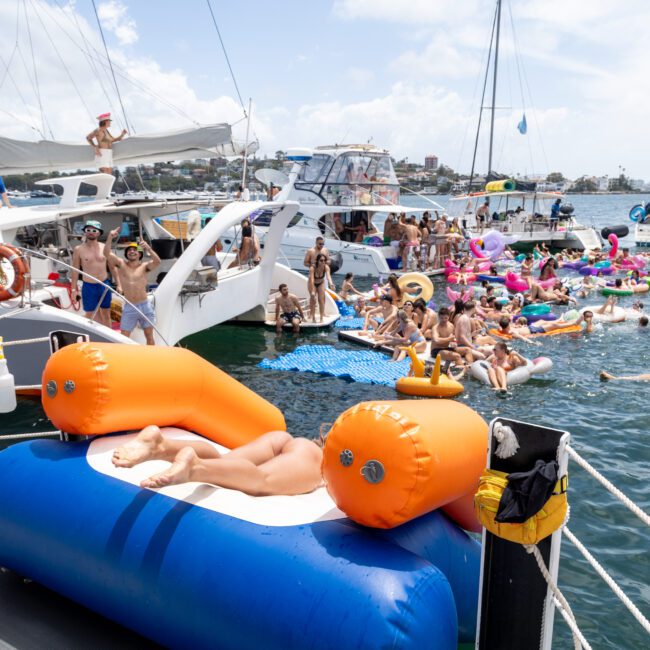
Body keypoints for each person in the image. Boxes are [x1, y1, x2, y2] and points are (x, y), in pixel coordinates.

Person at [112, 425, 323, 496]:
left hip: (283, 438)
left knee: (223, 461)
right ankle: (195, 468)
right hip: (316, 455)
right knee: (262, 480)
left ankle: (160, 446)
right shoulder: (318, 457)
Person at [104, 228, 161, 344]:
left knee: (149, 336)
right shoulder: (121, 264)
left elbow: (157, 262)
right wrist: (110, 237)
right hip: (130, 307)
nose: (132, 251)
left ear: (140, 254)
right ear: (126, 254)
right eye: (129, 250)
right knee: (124, 337)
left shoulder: (145, 266)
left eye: (135, 250)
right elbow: (106, 253)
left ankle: (153, 357)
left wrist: (148, 248)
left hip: (145, 306)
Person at [71, 220, 113, 327]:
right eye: (88, 230)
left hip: (104, 285)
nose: (91, 232)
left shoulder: (105, 247)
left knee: (106, 314)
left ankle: (109, 340)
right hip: (88, 286)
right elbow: (75, 270)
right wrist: (73, 290)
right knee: (89, 315)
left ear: (99, 233)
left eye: (94, 230)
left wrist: (120, 284)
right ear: (84, 232)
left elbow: (113, 266)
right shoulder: (78, 249)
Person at [308, 253, 330, 323]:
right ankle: (313, 317)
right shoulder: (312, 268)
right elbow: (312, 280)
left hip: (321, 283)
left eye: (324, 260)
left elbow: (328, 276)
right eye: (321, 260)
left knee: (321, 300)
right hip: (312, 283)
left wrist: (331, 283)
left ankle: (321, 318)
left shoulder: (326, 267)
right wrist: (312, 291)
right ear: (317, 261)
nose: (323, 262)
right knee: (313, 299)